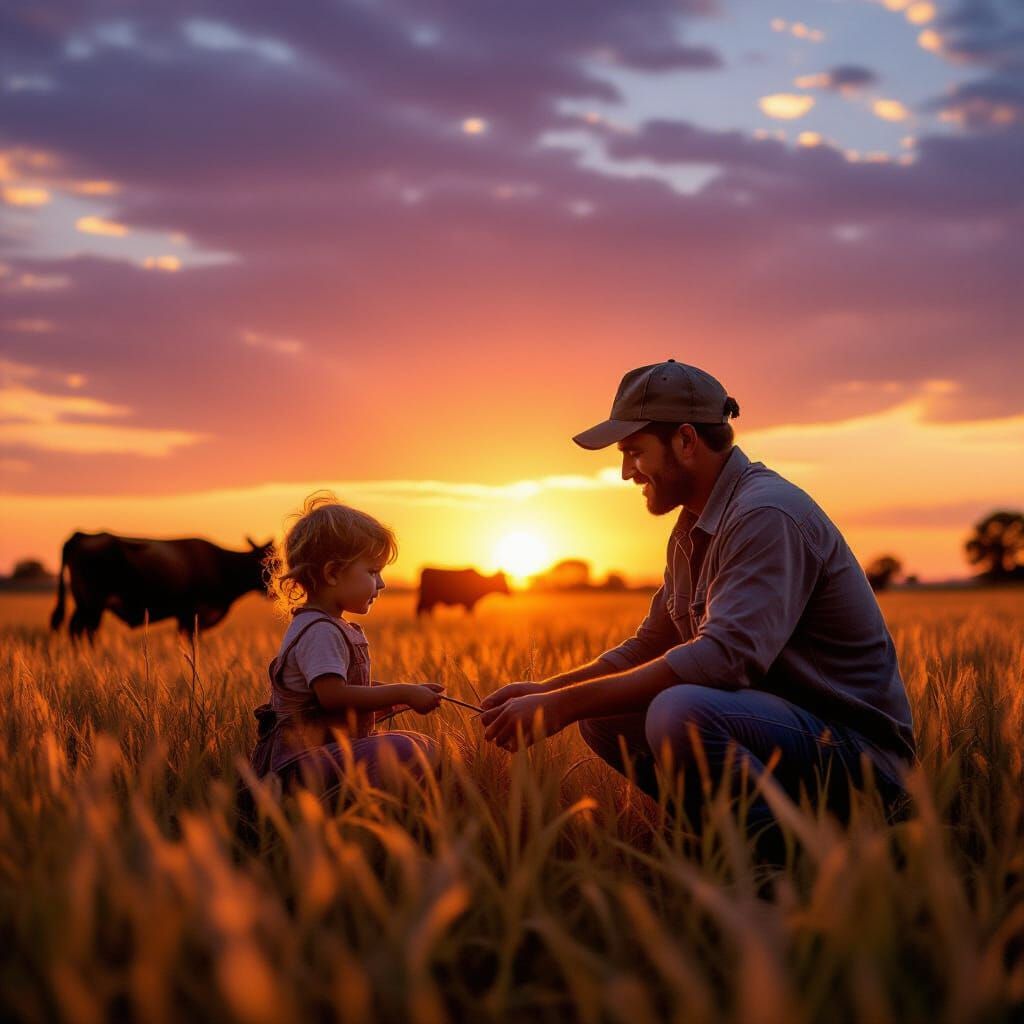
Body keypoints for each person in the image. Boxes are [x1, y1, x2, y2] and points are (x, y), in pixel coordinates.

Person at [481, 360, 915, 837]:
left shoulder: (766, 515)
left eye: (633, 451)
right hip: (782, 735)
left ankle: (779, 868)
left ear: (686, 441)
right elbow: (647, 646)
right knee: (602, 715)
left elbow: (725, 659)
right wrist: (549, 693)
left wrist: (562, 705)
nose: (626, 472)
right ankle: (712, 840)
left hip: (858, 758)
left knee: (681, 710)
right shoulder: (694, 526)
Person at [249, 492, 441, 793]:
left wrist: (403, 696)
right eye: (373, 571)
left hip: (325, 753)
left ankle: (376, 809)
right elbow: (333, 696)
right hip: (298, 765)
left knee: (420, 743)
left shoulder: (330, 626)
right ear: (333, 573)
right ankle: (348, 811)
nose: (382, 583)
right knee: (403, 749)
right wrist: (403, 691)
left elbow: (348, 690)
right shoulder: (319, 631)